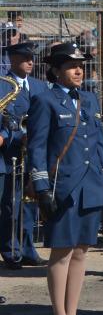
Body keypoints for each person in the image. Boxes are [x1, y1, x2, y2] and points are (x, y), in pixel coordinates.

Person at [27, 44, 103, 315]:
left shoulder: (89, 99)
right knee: (62, 252)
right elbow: (37, 148)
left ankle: (73, 314)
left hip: (91, 184)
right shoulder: (44, 100)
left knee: (81, 251)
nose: (78, 71)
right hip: (63, 187)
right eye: (71, 66)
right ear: (56, 70)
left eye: (81, 66)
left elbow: (99, 144)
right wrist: (41, 187)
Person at [1, 41, 48, 270]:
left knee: (29, 203)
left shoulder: (39, 85)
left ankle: (28, 248)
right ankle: (11, 250)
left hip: (33, 153)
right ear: (12, 59)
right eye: (25, 58)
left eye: (32, 58)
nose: (30, 62)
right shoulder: (3, 85)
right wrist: (18, 135)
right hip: (9, 154)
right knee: (10, 204)